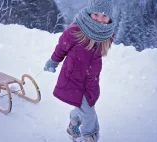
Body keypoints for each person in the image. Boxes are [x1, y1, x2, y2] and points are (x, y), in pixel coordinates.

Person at [44, 0, 114, 141]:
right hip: (73, 80)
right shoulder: (75, 31)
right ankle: (90, 136)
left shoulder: (105, 34)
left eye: (104, 16)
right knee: (89, 113)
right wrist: (53, 62)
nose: (100, 19)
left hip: (91, 81)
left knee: (85, 105)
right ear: (89, 12)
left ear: (110, 18)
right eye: (96, 14)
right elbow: (61, 48)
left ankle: (73, 124)